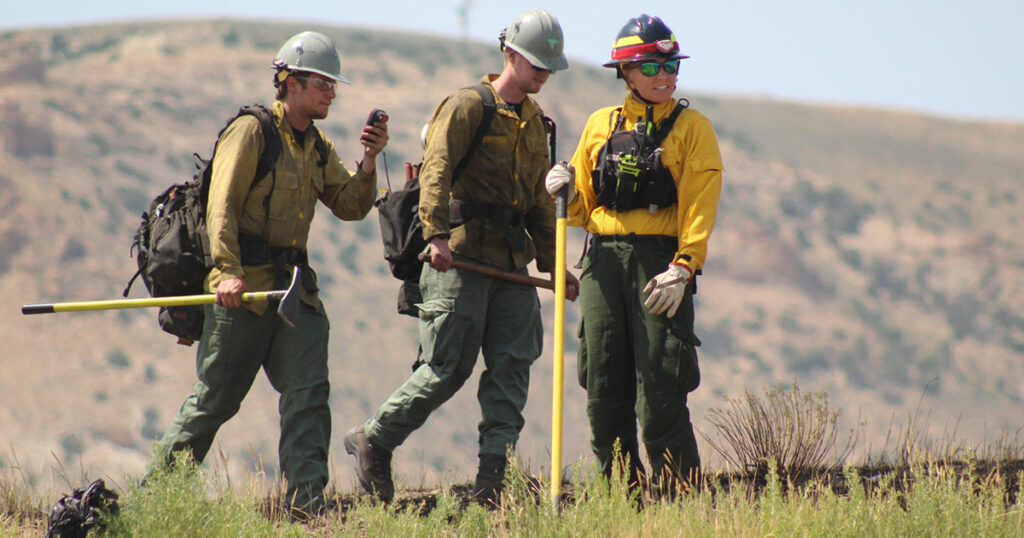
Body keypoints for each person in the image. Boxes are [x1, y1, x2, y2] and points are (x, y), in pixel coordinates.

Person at [344, 9, 578, 505]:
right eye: (536, 63)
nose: (542, 74)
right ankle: (374, 440)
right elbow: (437, 171)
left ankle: (494, 482)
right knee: (446, 367)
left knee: (513, 366)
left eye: (548, 67)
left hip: (511, 265)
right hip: (461, 257)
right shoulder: (469, 104)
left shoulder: (537, 123)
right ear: (510, 54)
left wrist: (554, 264)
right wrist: (436, 235)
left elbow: (539, 200)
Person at [150, 30, 388, 517]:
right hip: (241, 294)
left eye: (333, 85)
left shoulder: (317, 145)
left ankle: (307, 507)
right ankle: (154, 501)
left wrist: (368, 161)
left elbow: (350, 205)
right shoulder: (253, 131)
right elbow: (221, 206)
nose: (331, 93)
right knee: (214, 401)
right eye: (322, 83)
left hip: (293, 294)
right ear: (291, 82)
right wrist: (228, 273)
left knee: (308, 396)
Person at [545, 14, 723, 495]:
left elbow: (700, 205)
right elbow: (582, 207)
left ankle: (681, 501)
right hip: (602, 264)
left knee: (661, 392)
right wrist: (560, 190)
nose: (664, 75)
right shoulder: (600, 125)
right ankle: (621, 503)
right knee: (603, 388)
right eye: (651, 66)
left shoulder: (693, 129)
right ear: (624, 72)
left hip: (660, 266)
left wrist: (684, 268)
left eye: (671, 65)